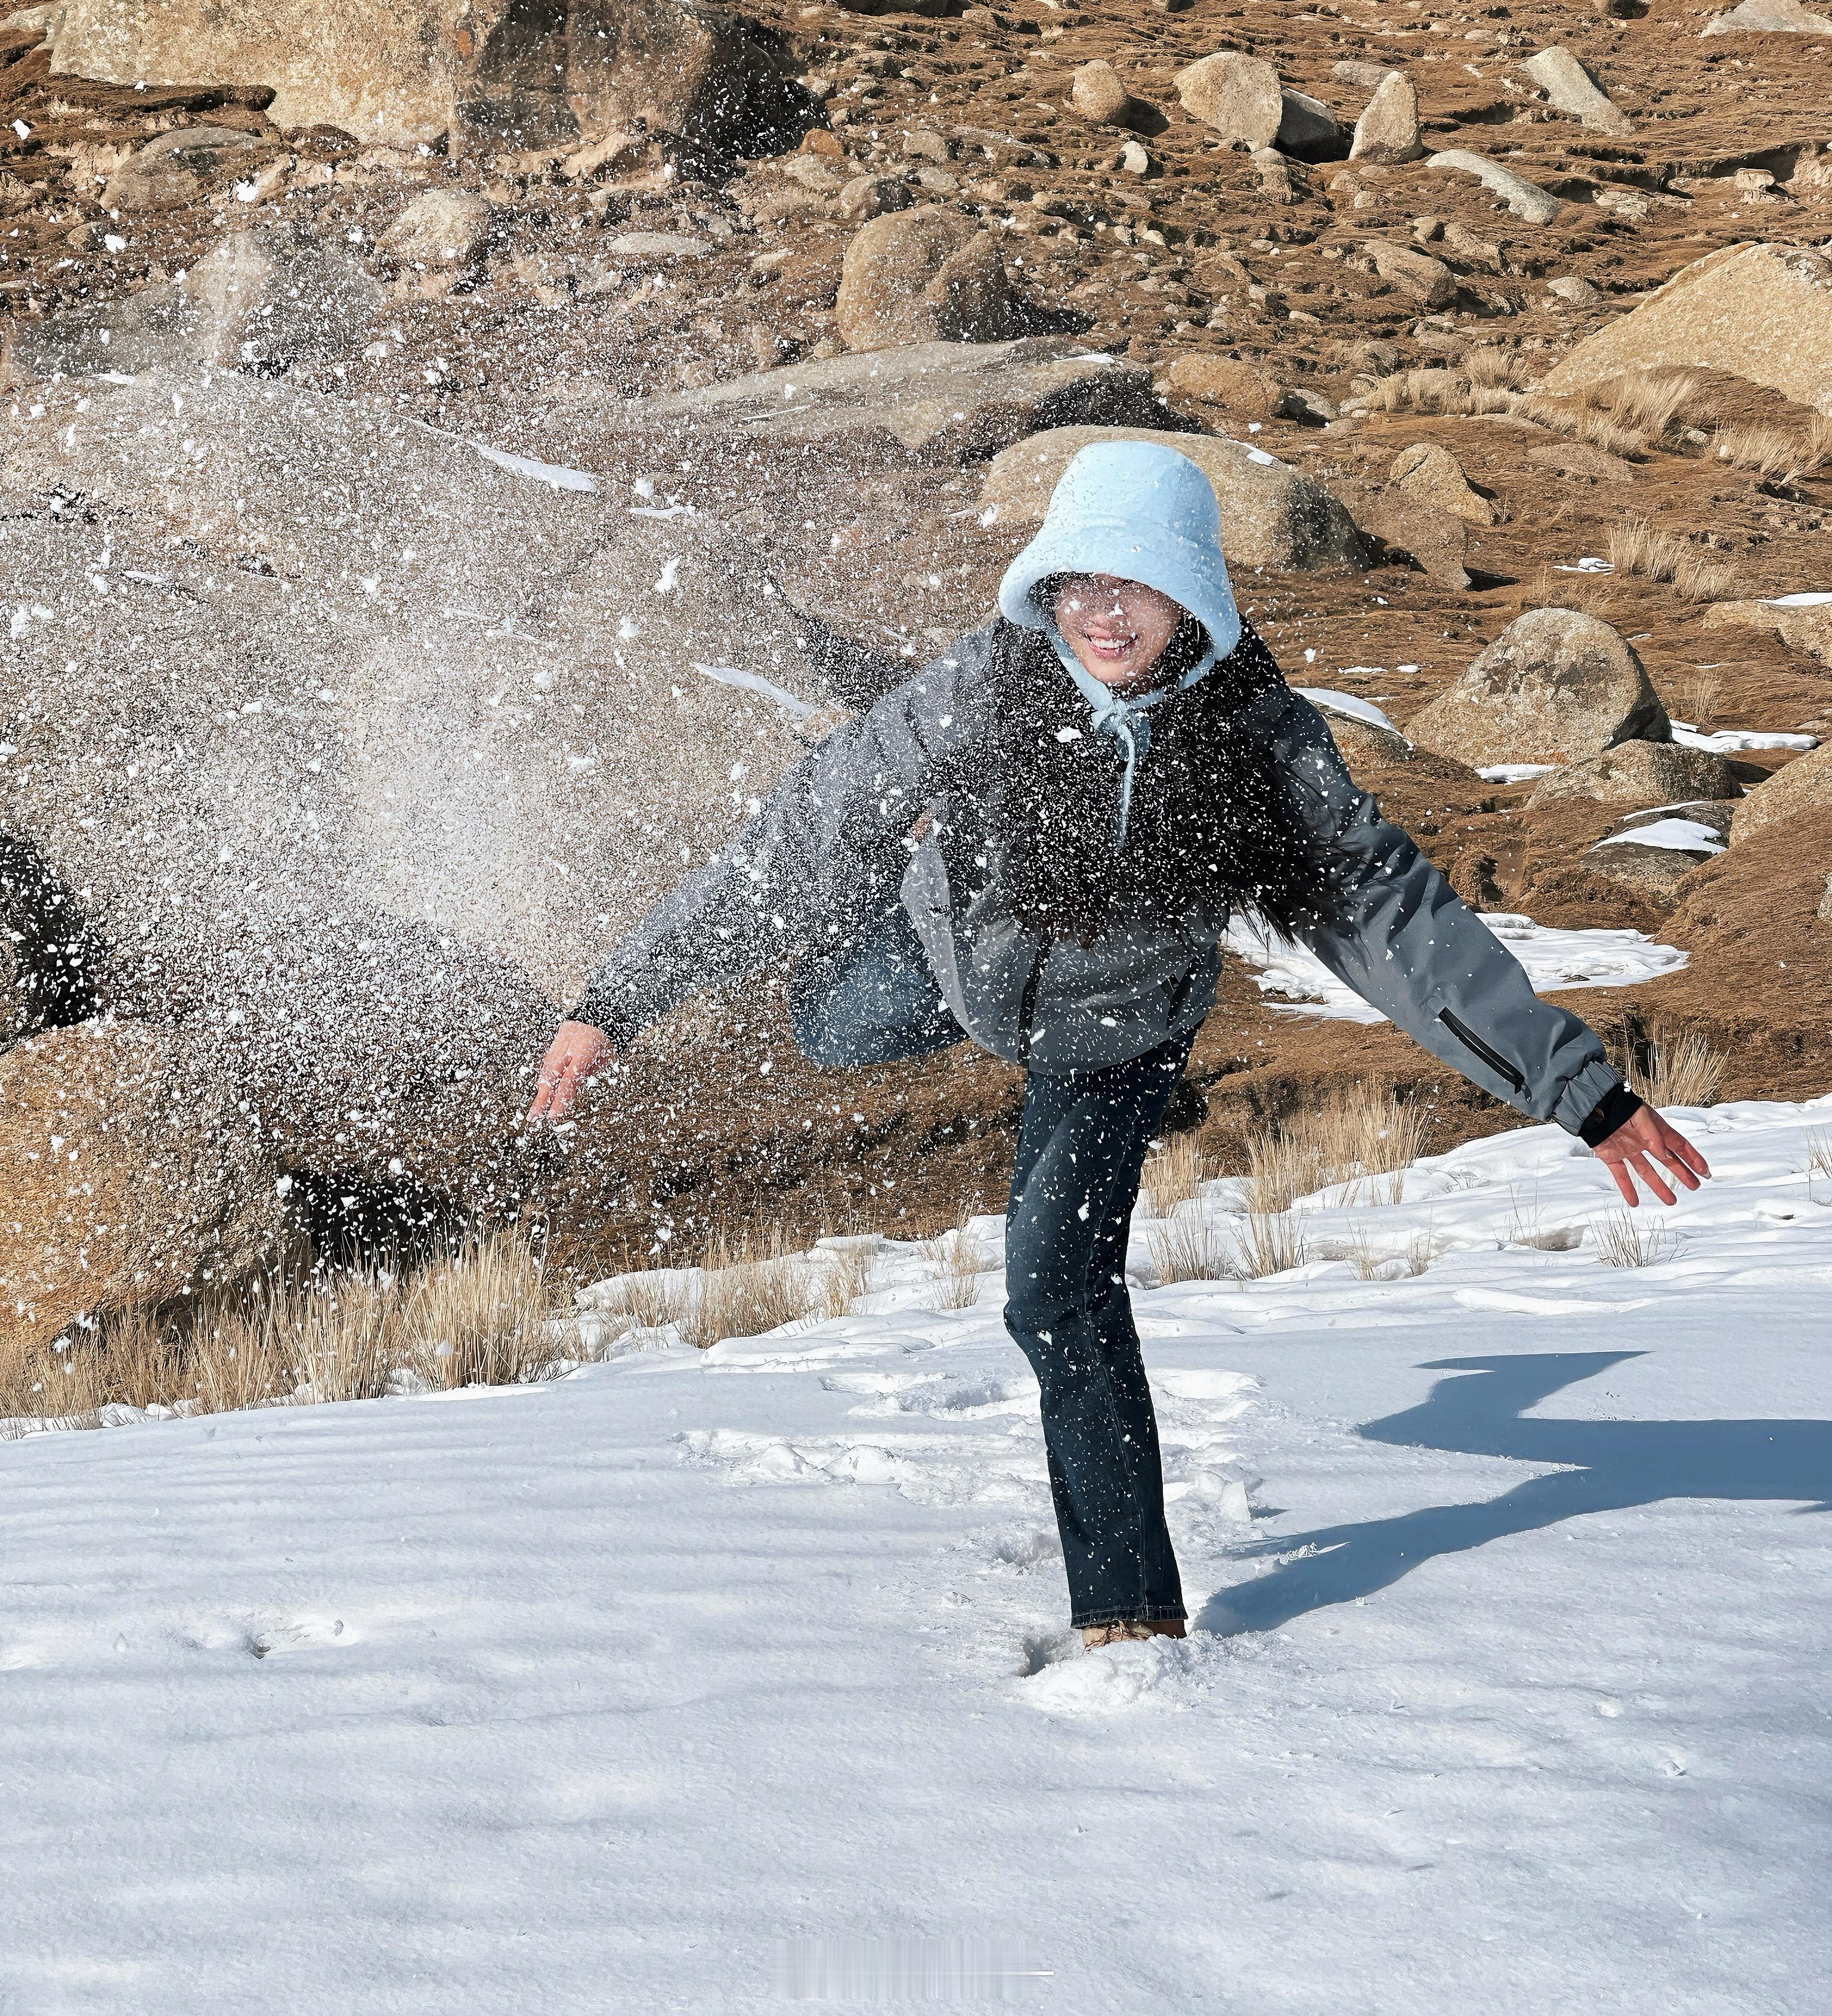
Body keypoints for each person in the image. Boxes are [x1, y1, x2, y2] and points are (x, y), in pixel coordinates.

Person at [528, 441, 1709, 1648]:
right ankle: (898, 873)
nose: (1097, 609)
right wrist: (618, 997)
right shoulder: (985, 680)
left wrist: (1585, 1094)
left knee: (1054, 1292)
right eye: (1075, 579)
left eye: (1130, 583)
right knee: (825, 1018)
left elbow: (1393, 919)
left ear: (1189, 590)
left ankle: (1127, 1613)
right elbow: (792, 836)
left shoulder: (1260, 736)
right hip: (956, 959)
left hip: (1119, 1030)